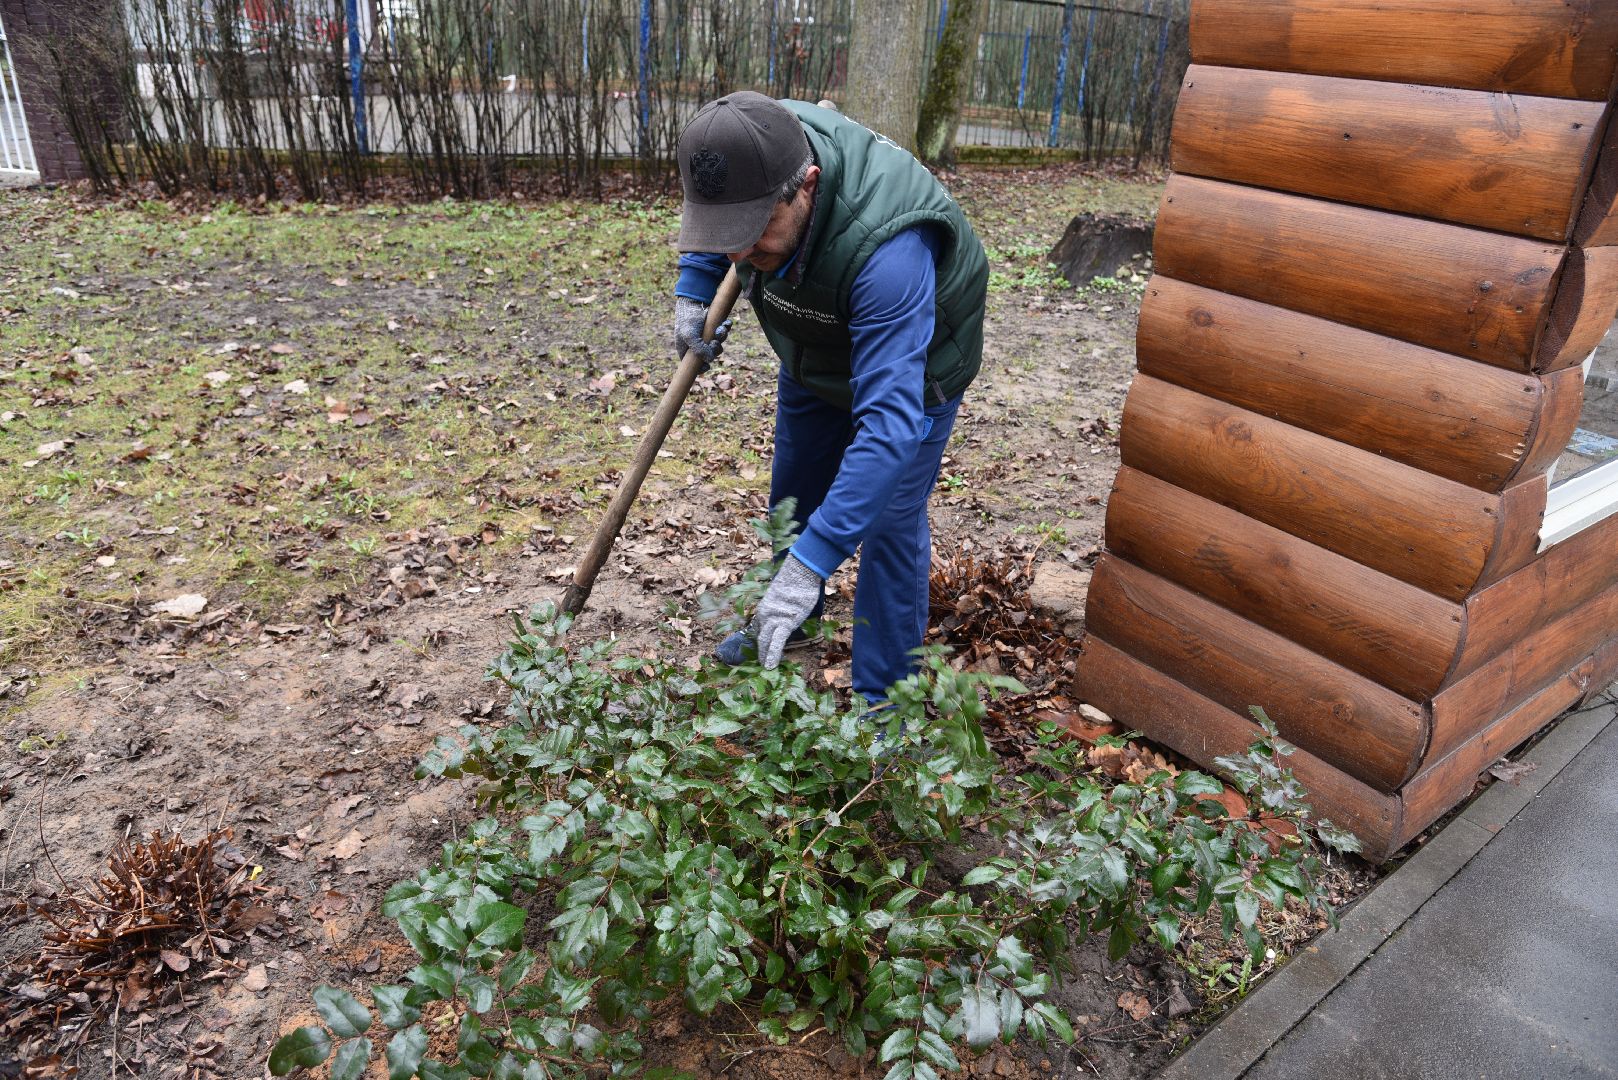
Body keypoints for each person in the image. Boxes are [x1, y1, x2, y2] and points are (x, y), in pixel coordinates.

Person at [672, 92, 989, 706]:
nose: (738, 255)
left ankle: (884, 701)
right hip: (814, 343)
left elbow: (888, 429)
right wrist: (694, 285)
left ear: (807, 187)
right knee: (795, 485)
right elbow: (721, 217)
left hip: (916, 365)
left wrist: (814, 559)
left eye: (754, 232)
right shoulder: (752, 142)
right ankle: (789, 617)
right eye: (724, 236)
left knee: (890, 519)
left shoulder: (892, 253)